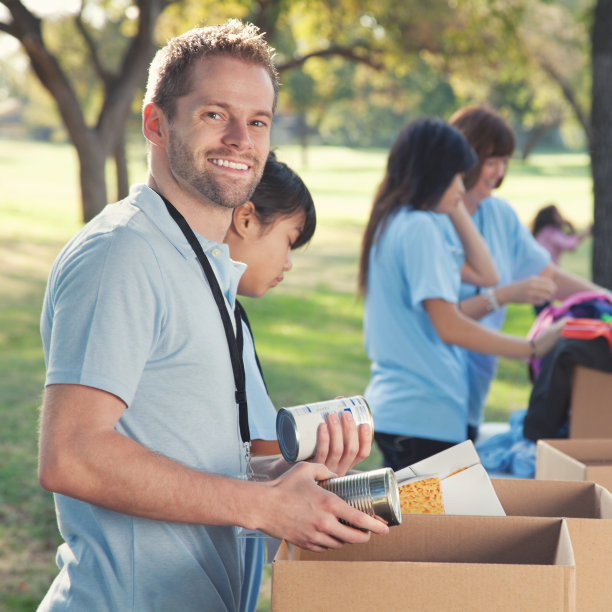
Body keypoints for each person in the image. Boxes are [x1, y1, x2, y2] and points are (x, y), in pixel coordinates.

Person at [37, 21, 388, 612]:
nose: (240, 140)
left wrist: (292, 473)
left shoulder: (206, 264)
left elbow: (200, 452)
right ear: (156, 123)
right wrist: (265, 506)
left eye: (257, 122)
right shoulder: (123, 254)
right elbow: (71, 454)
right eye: (213, 115)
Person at [358, 117, 562, 471]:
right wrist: (531, 348)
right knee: (439, 528)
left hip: (410, 414)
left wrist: (452, 204)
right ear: (435, 174)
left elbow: (488, 275)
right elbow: (450, 326)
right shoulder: (420, 229)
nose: (461, 188)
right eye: (456, 177)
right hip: (423, 415)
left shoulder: (396, 220)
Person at [448, 105, 607, 437]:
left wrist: (605, 298)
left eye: (505, 162)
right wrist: (505, 295)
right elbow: (441, 319)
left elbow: (550, 276)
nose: (498, 172)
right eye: (491, 161)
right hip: (432, 390)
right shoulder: (432, 222)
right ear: (464, 156)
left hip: (474, 386)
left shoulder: (500, 215)